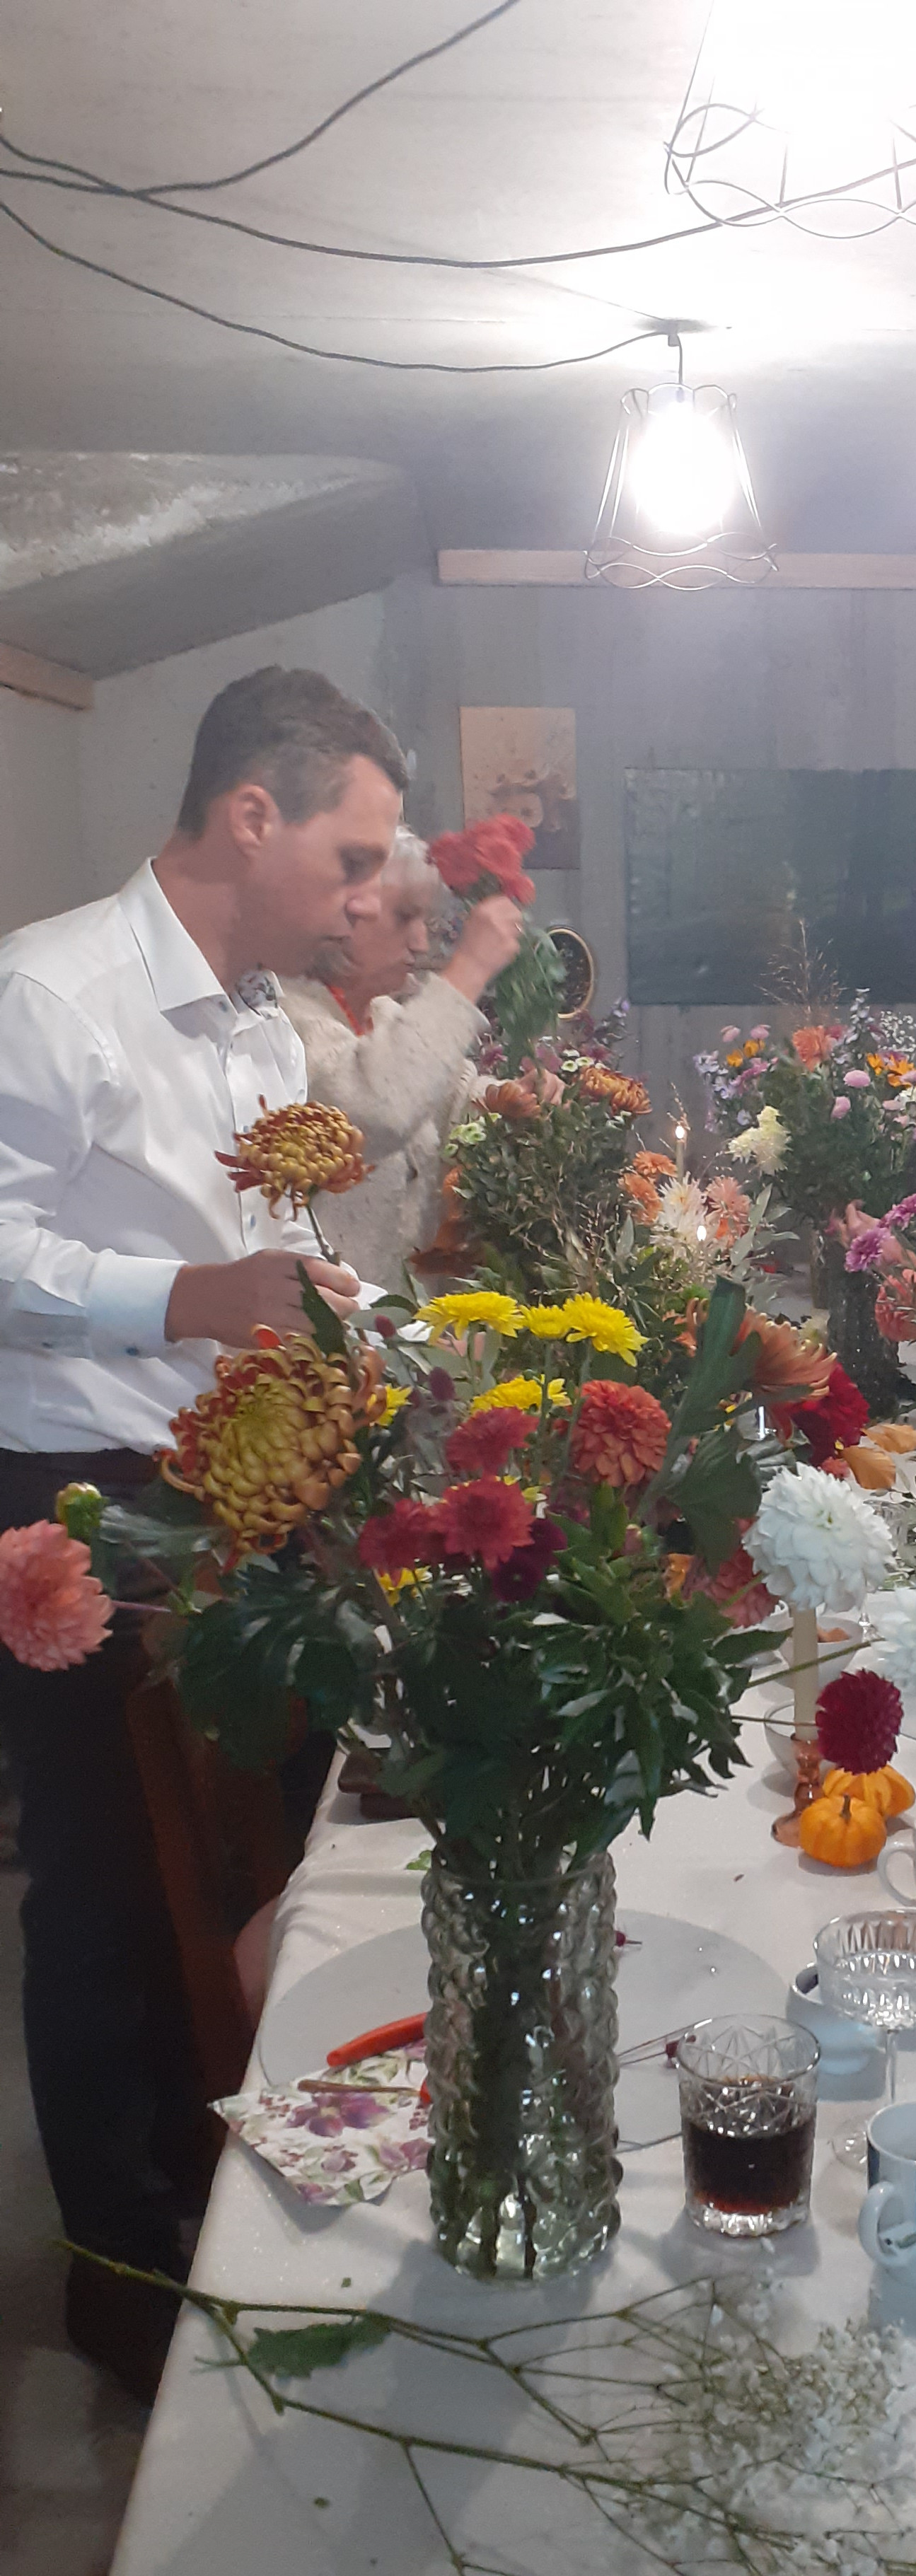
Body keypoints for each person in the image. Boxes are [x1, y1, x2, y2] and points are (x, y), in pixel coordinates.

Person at [0, 663, 404, 2401]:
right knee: (102, 1885)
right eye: (355, 849)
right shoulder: (47, 988)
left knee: (239, 1858)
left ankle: (223, 2173)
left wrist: (359, 1334)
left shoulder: (256, 1017)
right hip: (86, 1502)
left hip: (243, 1489)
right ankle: (114, 2264)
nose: (369, 894)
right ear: (254, 812)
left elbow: (266, 1260)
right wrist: (193, 1290)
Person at [280, 828, 524, 1288]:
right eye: (405, 918)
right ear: (347, 909)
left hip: (401, 1333)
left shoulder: (381, 1012)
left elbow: (454, 1094)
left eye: (426, 924)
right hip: (331, 1337)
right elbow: (374, 1108)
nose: (419, 944)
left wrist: (513, 1099)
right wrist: (469, 967)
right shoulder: (285, 1019)